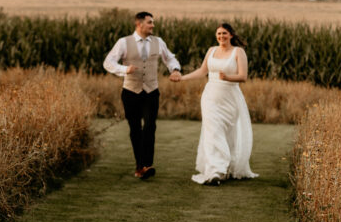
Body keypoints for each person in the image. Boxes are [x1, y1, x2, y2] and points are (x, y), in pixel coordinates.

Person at [170, 22, 258, 185]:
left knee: (228, 133)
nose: (221, 37)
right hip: (210, 96)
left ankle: (227, 167)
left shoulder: (238, 52)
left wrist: (228, 78)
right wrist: (182, 78)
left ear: (231, 35)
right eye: (218, 34)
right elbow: (202, 71)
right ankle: (215, 171)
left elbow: (243, 76)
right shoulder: (211, 50)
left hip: (230, 97)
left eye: (224, 33)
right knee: (213, 131)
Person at [104, 11, 181, 179]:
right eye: (150, 22)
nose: (153, 25)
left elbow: (170, 59)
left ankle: (147, 165)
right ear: (139, 24)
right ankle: (140, 166)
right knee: (135, 129)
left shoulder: (158, 42)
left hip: (151, 91)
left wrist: (175, 70)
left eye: (152, 22)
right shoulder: (124, 42)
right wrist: (124, 69)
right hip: (131, 92)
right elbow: (108, 62)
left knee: (150, 127)